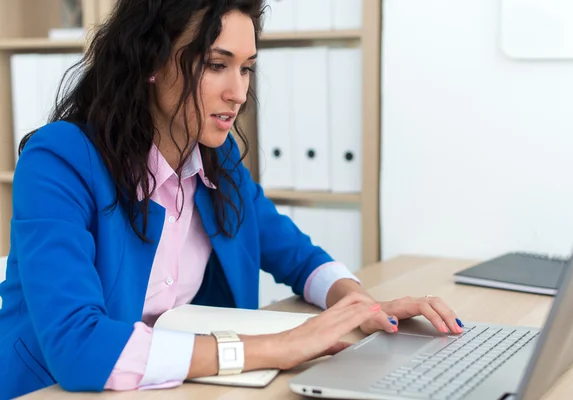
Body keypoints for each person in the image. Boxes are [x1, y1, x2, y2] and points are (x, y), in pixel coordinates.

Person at [0, 0, 464, 398]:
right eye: (215, 65)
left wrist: (364, 308)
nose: (238, 92)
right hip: (50, 391)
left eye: (246, 68)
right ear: (151, 61)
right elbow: (78, 346)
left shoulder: (217, 167)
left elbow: (300, 258)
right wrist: (277, 347)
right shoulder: (59, 161)